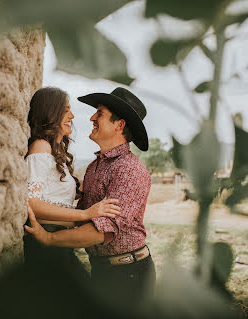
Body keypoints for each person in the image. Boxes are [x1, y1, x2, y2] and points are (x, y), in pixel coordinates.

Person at [25, 87, 156, 305]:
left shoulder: (129, 169)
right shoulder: (95, 167)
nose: (91, 117)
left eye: (100, 114)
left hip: (129, 273)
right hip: (101, 268)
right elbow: (80, 214)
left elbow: (101, 231)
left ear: (119, 125)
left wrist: (49, 238)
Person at [24, 87, 122, 274]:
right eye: (66, 110)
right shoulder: (41, 147)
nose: (72, 116)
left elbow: (52, 194)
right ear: (50, 112)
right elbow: (31, 202)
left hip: (59, 242)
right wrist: (86, 214)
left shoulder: (55, 152)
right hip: (45, 240)